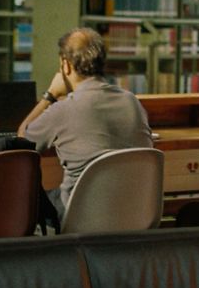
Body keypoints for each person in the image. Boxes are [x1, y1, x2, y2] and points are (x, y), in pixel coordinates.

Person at [17, 27, 154, 222]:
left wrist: (50, 95)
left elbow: (22, 141)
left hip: (81, 217)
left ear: (66, 66)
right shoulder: (132, 102)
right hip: (134, 216)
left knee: (21, 201)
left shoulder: (64, 109)